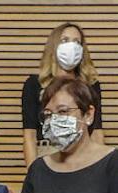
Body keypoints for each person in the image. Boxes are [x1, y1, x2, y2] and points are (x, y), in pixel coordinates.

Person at [21, 22, 105, 167]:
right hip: (47, 154)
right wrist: (32, 175)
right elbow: (30, 135)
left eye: (77, 42)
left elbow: (96, 132)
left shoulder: (91, 85)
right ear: (54, 46)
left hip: (83, 155)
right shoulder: (35, 84)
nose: (71, 46)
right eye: (65, 40)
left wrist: (103, 168)